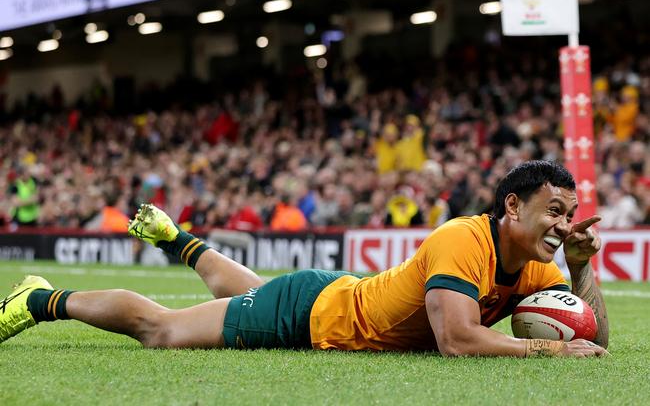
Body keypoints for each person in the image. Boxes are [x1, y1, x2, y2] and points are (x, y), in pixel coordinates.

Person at [0, 161, 608, 358]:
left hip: (329, 294)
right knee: (162, 331)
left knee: (256, 291)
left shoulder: (540, 265)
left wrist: (582, 268)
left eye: (570, 212)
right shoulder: (463, 239)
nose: (564, 224)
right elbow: (456, 339)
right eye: (554, 211)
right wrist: (548, 348)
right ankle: (41, 298)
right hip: (309, 313)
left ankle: (177, 241)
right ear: (511, 206)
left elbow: (596, 337)